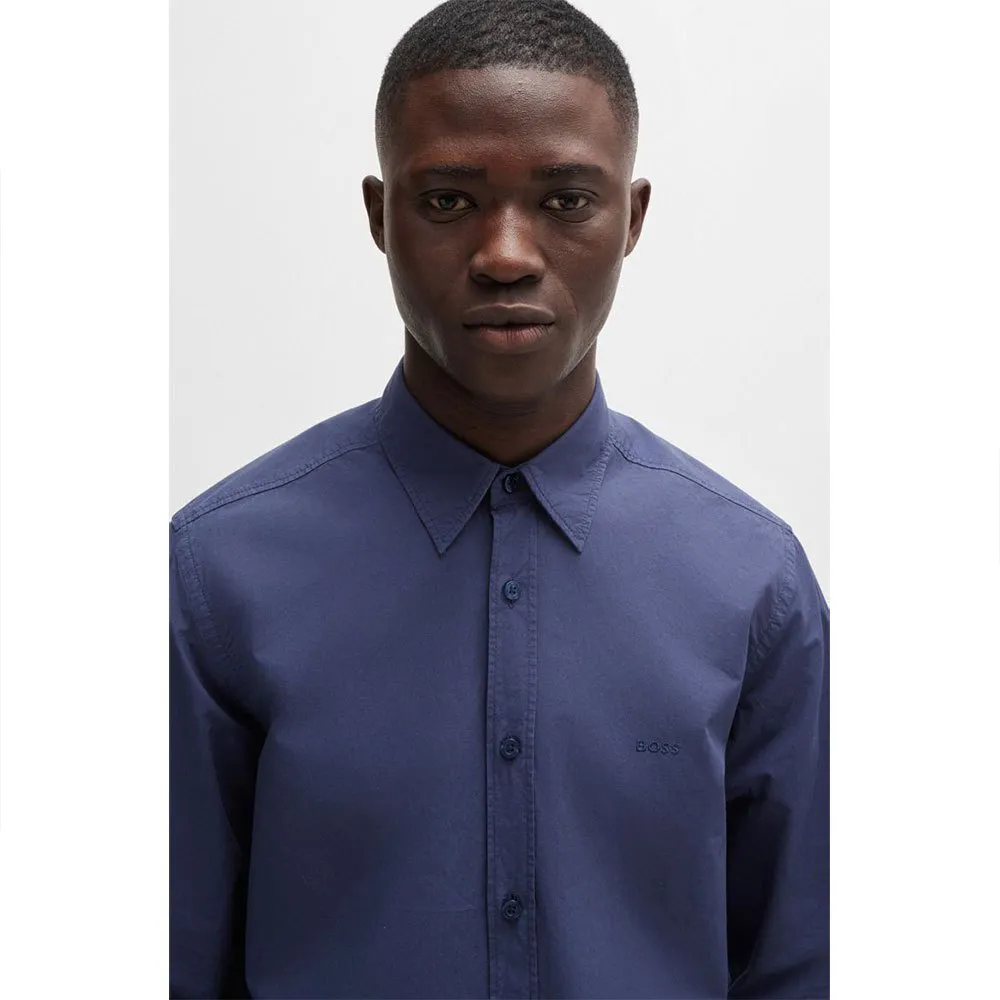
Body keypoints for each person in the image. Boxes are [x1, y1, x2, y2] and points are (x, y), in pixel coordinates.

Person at [169, 1, 830, 997]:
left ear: (632, 218)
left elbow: (802, 966)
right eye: (447, 201)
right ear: (380, 215)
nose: (507, 254)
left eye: (566, 199)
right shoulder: (215, 575)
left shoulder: (754, 584)